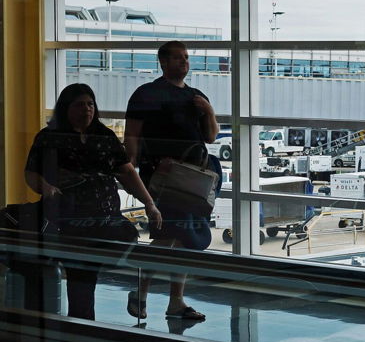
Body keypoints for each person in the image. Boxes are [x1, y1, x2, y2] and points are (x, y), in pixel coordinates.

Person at [24, 83, 162, 320]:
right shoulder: (50, 137)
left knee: (118, 243)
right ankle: (81, 326)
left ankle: (82, 323)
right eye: (80, 104)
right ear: (66, 108)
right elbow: (31, 172)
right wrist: (46, 187)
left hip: (104, 216)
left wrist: (149, 203)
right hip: (70, 219)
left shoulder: (104, 136)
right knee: (81, 273)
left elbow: (128, 172)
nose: (87, 109)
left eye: (90, 104)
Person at [123, 41, 220, 322]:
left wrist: (209, 111)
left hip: (192, 178)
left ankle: (171, 300)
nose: (184, 62)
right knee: (169, 236)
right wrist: (131, 168)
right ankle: (146, 292)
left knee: (184, 238)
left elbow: (211, 136)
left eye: (187, 58)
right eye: (178, 58)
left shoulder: (196, 97)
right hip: (163, 177)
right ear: (163, 62)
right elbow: (132, 136)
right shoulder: (147, 94)